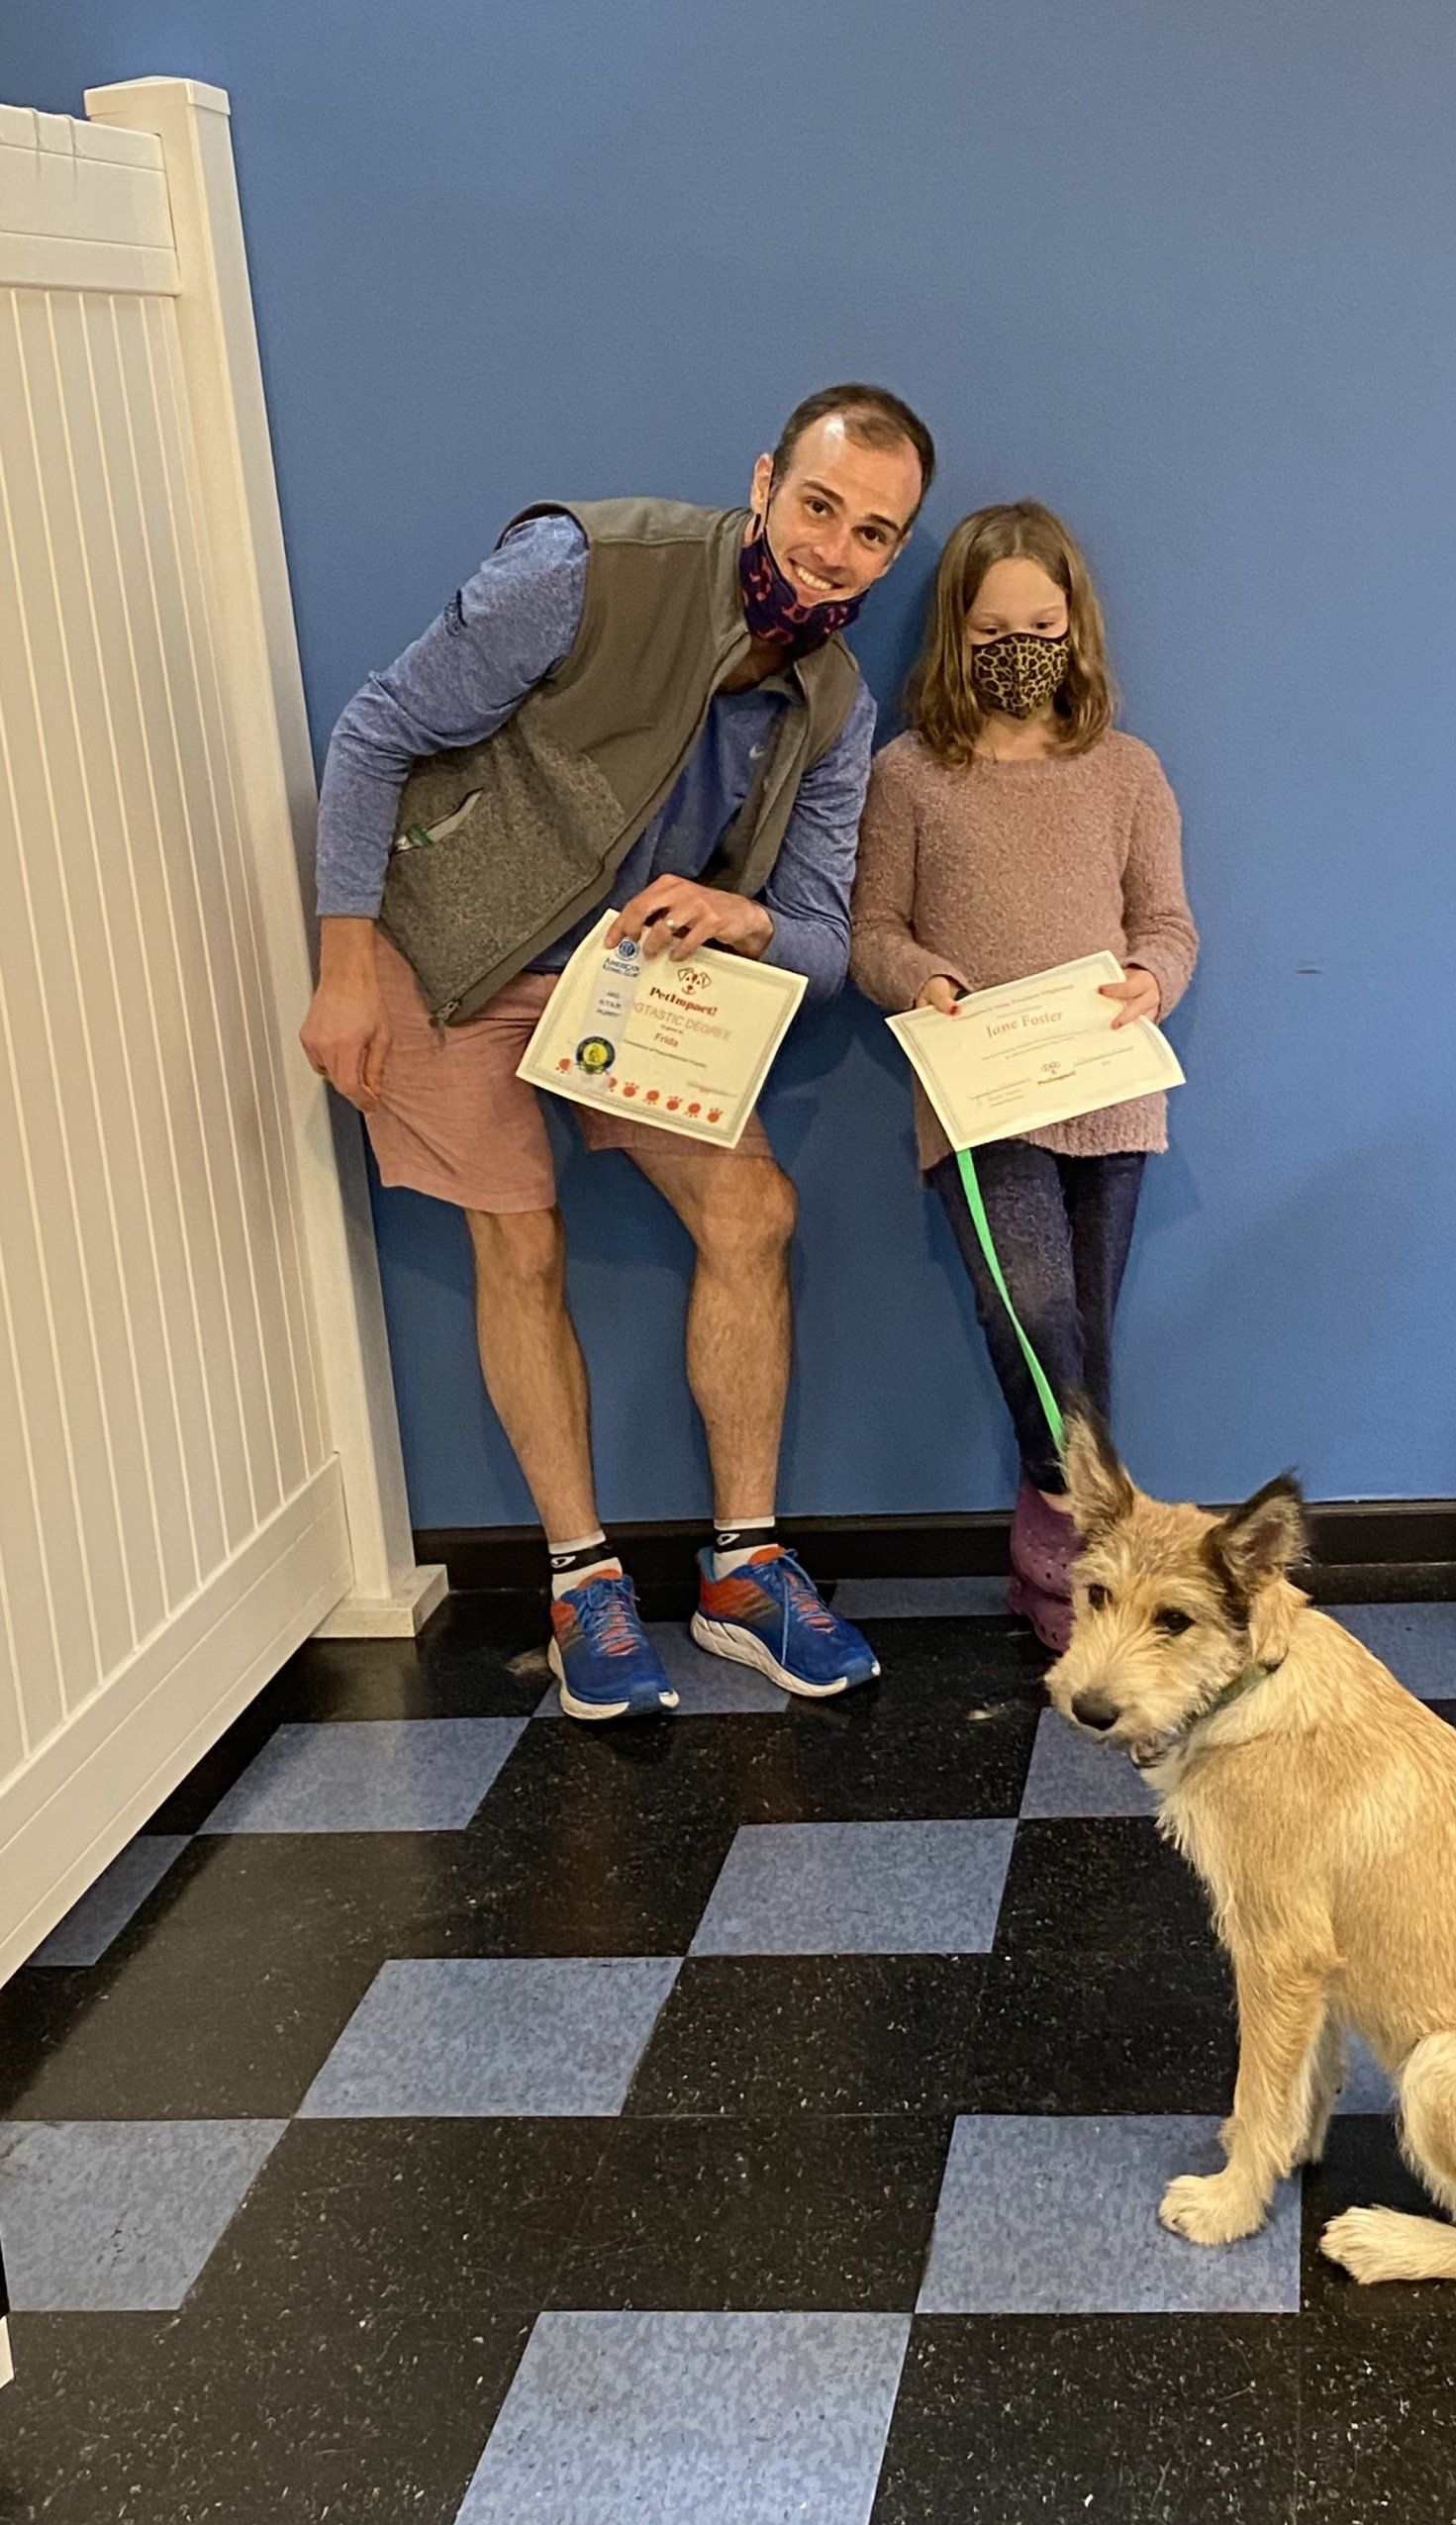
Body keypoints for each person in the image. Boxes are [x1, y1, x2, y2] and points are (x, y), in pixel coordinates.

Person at [301, 385, 933, 1716]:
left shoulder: (836, 704)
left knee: (754, 1210)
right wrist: (346, 958)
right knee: (519, 1240)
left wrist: (741, 910)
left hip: (638, 982)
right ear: (764, 481)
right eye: (819, 506)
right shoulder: (581, 568)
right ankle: (583, 1576)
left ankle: (742, 1571)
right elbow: (375, 732)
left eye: (874, 533)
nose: (834, 550)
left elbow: (820, 937)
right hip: (454, 947)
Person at [850, 500, 1198, 1649]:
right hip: (981, 1095)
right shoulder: (910, 776)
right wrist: (921, 978)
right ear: (957, 634)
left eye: (1040, 622)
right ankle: (1090, 1554)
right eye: (994, 630)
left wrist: (1152, 976)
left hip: (1108, 1088)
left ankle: (1052, 1559)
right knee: (1035, 1318)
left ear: (1076, 622)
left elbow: (1170, 924)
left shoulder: (1128, 771)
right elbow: (870, 931)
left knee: (1086, 1335)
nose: (1019, 650)